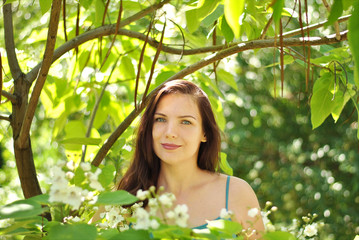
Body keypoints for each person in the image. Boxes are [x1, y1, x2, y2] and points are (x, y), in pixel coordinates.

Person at [93, 80, 264, 238]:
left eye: (186, 122)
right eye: (160, 119)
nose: (170, 132)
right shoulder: (119, 202)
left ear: (204, 132)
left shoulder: (236, 193)